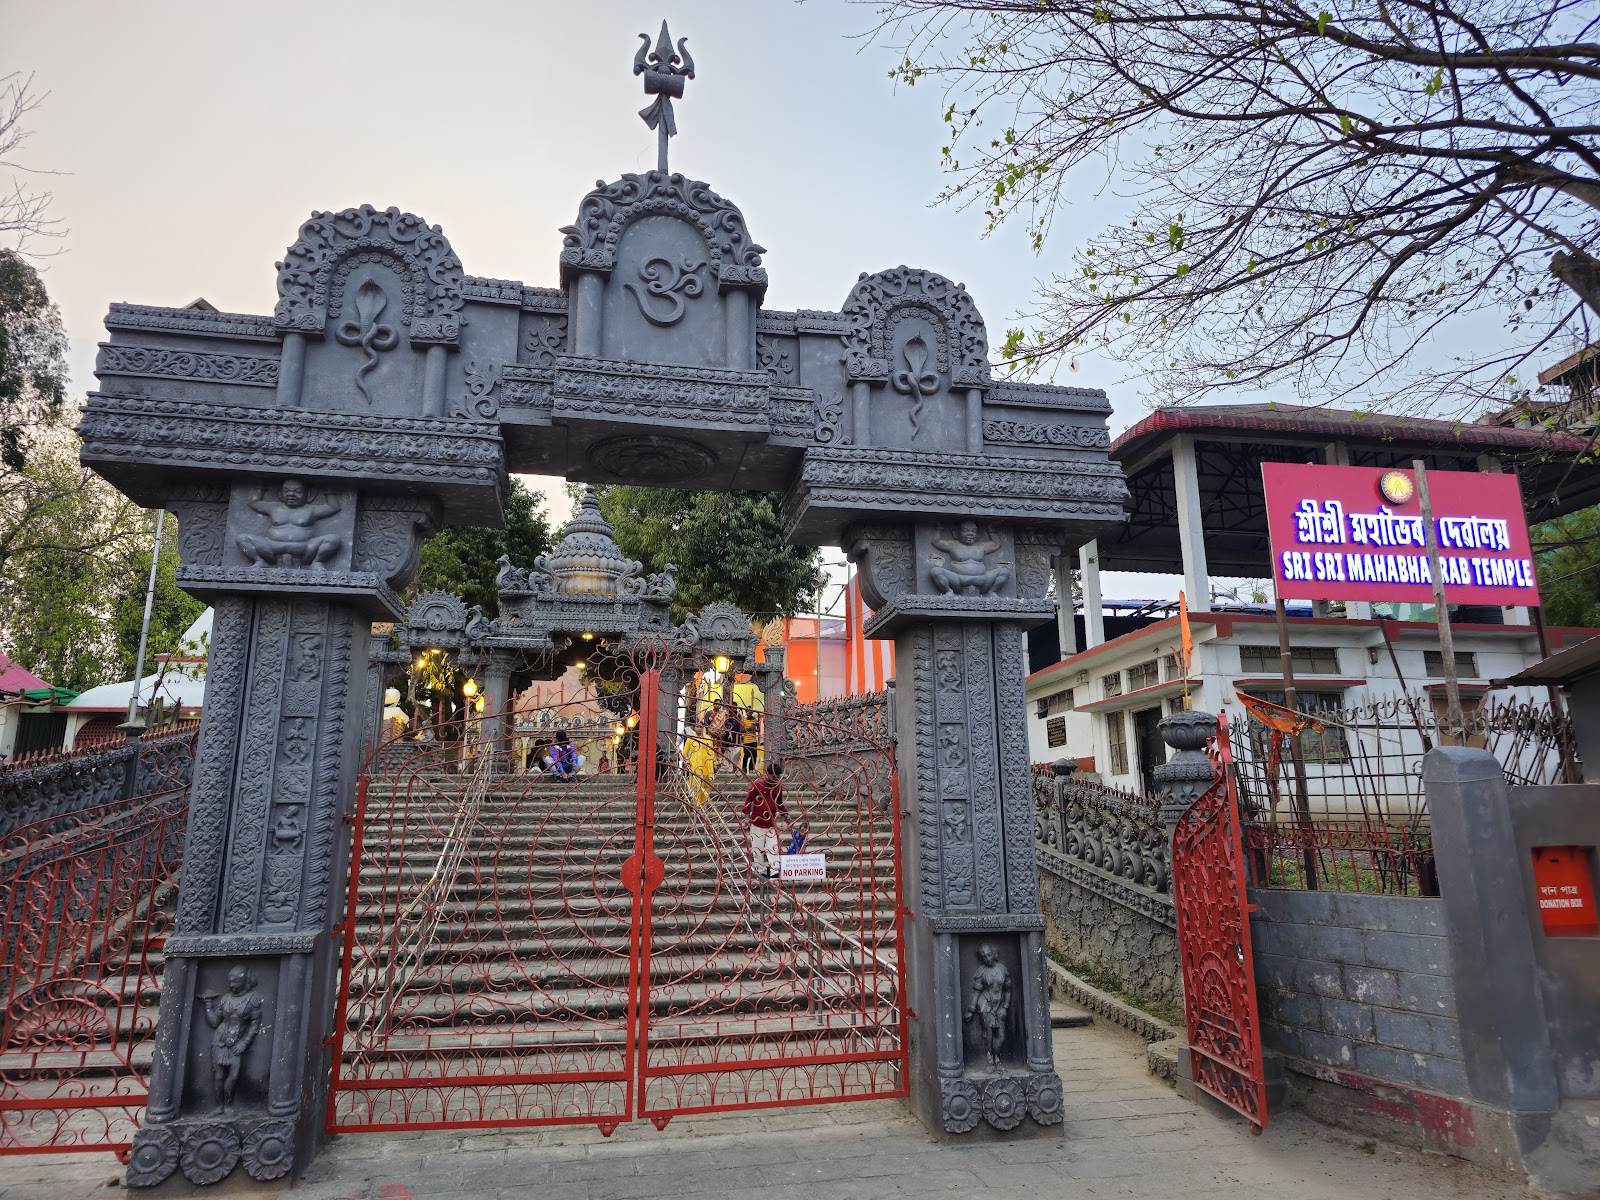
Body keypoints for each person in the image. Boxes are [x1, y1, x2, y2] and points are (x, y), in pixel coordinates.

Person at [742, 759, 788, 881]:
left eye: (778, 776)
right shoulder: (758, 784)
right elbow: (748, 801)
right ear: (767, 774)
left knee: (773, 847)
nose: (776, 778)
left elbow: (779, 802)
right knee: (757, 849)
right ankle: (760, 872)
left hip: (771, 823)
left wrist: (785, 814)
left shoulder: (778, 786)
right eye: (774, 776)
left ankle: (774, 873)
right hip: (757, 822)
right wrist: (747, 817)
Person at [684, 714, 716, 807]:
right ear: (694, 728)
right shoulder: (691, 738)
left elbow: (711, 752)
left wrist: (713, 763)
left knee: (706, 785)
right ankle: (697, 805)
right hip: (695, 764)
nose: (699, 729)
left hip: (707, 764)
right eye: (697, 727)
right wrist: (686, 760)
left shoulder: (708, 738)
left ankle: (702, 805)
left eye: (701, 727)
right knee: (696, 784)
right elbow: (685, 753)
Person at [740, 708, 760, 773]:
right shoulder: (744, 720)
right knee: (747, 755)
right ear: (746, 712)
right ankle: (744, 767)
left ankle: (751, 769)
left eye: (751, 712)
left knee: (754, 755)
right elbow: (741, 730)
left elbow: (758, 729)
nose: (750, 713)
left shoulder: (755, 720)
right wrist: (749, 728)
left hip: (753, 740)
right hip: (746, 741)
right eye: (748, 712)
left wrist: (755, 729)